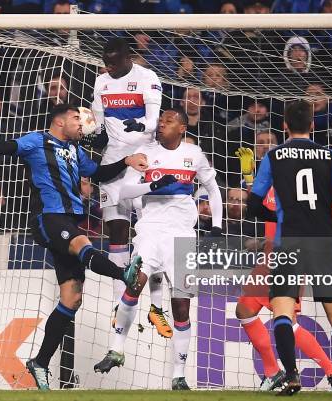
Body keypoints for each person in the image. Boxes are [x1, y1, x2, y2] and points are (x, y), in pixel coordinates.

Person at [0, 103, 146, 390]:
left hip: (68, 220)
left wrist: (126, 160)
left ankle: (40, 362)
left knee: (72, 298)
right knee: (83, 243)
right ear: (59, 121)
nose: (82, 124)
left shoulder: (76, 151)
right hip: (49, 218)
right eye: (76, 118)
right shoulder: (37, 140)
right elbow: (9, 147)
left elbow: (98, 173)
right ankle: (124, 275)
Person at [246, 100, 332, 396]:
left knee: (282, 312)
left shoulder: (274, 157)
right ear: (313, 125)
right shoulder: (330, 156)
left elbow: (252, 206)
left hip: (288, 244)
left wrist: (277, 215)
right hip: (321, 245)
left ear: (285, 126)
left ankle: (291, 377)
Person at [93, 108, 223, 391]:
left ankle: (179, 375)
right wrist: (152, 184)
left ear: (182, 129)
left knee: (181, 306)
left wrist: (216, 227)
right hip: (150, 232)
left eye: (169, 121)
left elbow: (213, 189)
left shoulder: (195, 154)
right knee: (133, 284)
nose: (162, 124)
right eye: (161, 120)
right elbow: (124, 193)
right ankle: (116, 349)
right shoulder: (144, 153)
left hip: (182, 237)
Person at [235, 146, 332, 392]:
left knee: (287, 321)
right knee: (245, 309)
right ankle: (273, 372)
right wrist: (249, 177)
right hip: (267, 262)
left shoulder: (312, 191)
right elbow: (255, 201)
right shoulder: (273, 189)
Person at [89, 38, 169, 338]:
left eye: (114, 60)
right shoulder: (100, 83)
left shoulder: (147, 78)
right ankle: (117, 306)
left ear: (128, 57)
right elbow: (98, 126)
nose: (109, 65)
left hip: (143, 162)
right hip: (114, 163)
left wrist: (140, 126)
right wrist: (89, 135)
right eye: (106, 60)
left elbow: (153, 121)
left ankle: (157, 306)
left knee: (153, 235)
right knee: (117, 234)